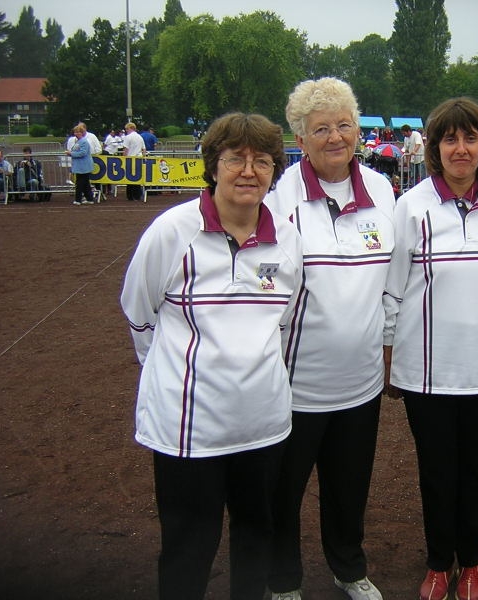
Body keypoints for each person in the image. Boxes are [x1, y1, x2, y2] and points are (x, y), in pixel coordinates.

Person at [120, 112, 303, 600]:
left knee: (255, 534)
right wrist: (170, 371)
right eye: (235, 159)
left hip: (262, 423)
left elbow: (281, 322)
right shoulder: (173, 231)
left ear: (274, 170)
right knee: (188, 543)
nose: (249, 171)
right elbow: (139, 314)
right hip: (189, 427)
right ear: (213, 165)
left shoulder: (288, 239)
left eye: (262, 161)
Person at [384, 97, 478, 600]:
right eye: (450, 138)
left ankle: (473, 564)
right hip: (427, 373)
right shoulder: (411, 206)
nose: (460, 149)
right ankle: (439, 563)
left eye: (470, 138)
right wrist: (389, 360)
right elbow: (393, 290)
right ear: (435, 147)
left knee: (475, 475)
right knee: (436, 472)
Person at [264, 77, 394, 600]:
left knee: (348, 489)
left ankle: (348, 568)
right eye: (321, 128)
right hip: (295, 385)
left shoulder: (383, 191)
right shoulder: (279, 199)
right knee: (282, 492)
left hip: (361, 383)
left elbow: (393, 284)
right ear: (300, 137)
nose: (336, 136)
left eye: (344, 124)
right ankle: (284, 580)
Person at [66, 124, 95, 205]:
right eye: (75, 132)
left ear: (82, 133)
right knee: (85, 184)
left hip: (84, 166)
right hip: (80, 166)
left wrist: (71, 154)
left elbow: (83, 153)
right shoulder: (79, 141)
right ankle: (89, 198)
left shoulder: (84, 141)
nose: (76, 133)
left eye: (78, 132)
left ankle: (78, 200)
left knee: (80, 183)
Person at [123, 122, 146, 201]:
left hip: (130, 158)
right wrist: (144, 157)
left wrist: (123, 158)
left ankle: (130, 196)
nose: (126, 131)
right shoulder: (140, 137)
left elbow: (126, 150)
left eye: (127, 129)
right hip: (139, 158)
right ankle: (137, 195)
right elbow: (144, 149)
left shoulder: (127, 137)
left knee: (130, 178)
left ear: (131, 128)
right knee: (137, 177)